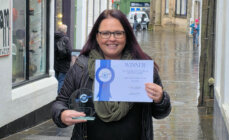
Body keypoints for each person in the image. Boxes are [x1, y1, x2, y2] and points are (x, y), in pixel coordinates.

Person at [51, 9, 171, 140]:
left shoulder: (143, 67)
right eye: (105, 33)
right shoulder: (81, 67)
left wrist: (160, 98)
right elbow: (60, 103)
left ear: (127, 35)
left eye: (118, 33)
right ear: (97, 36)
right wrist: (62, 114)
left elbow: (161, 113)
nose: (112, 38)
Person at [54, 24, 72, 93]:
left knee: (55, 80)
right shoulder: (65, 39)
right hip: (64, 64)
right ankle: (59, 97)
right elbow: (69, 51)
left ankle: (53, 96)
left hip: (55, 63)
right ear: (65, 31)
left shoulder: (53, 38)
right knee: (61, 80)